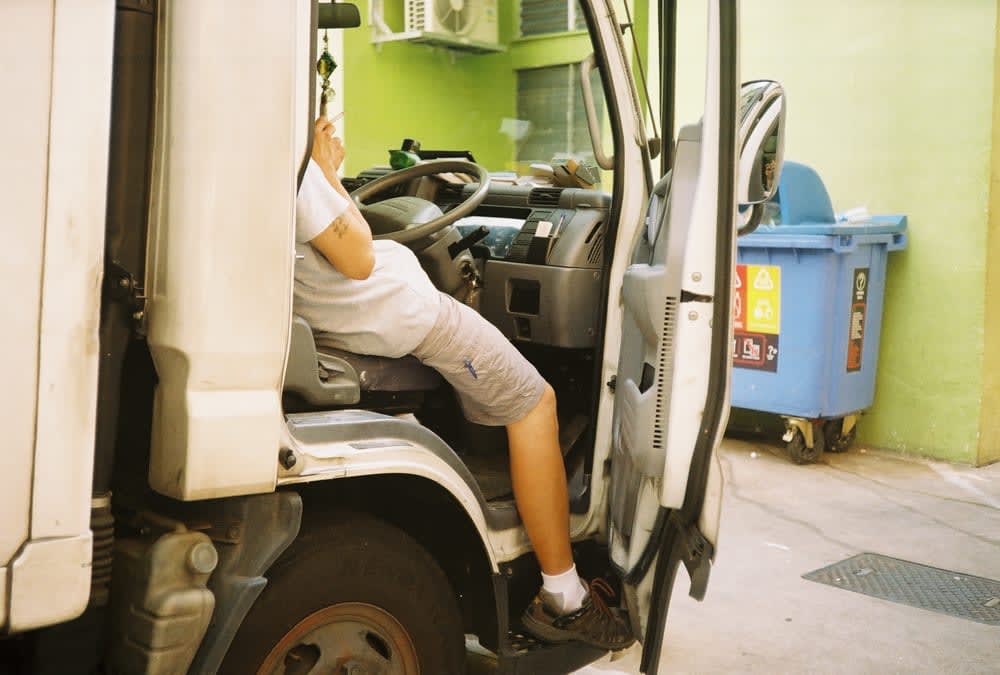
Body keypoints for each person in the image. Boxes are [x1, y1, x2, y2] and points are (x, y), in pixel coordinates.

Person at [294, 116, 634, 650]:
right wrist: (326, 169)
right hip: (406, 317)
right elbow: (358, 257)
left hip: (369, 315)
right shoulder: (296, 162)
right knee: (533, 400)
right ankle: (564, 598)